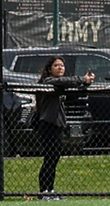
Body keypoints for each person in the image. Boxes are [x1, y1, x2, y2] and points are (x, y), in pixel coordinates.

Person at [33, 56, 92, 198]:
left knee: (54, 158)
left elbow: (70, 95)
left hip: (57, 125)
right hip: (47, 125)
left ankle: (50, 190)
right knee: (50, 158)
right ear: (49, 69)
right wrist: (82, 79)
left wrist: (86, 84)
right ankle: (44, 192)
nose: (60, 68)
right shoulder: (48, 82)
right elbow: (63, 81)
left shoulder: (59, 87)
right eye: (56, 65)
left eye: (62, 66)